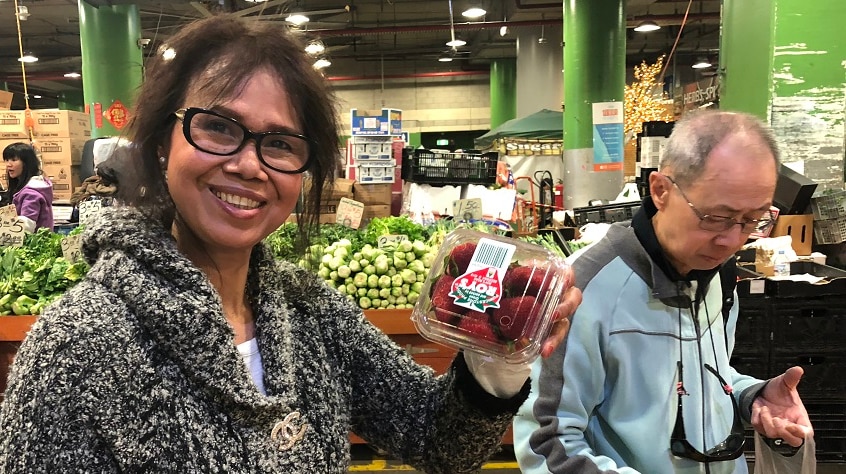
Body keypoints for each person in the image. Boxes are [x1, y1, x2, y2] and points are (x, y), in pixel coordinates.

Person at [0, 16, 581, 473]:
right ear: (160, 144)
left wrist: (497, 363)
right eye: (218, 127)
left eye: (279, 144)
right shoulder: (75, 349)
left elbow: (436, 442)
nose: (249, 165)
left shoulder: (308, 312)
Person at [514, 110, 813, 474]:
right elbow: (546, 442)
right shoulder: (583, 287)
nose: (732, 240)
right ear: (660, 190)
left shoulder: (718, 272)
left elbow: (701, 374)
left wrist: (753, 397)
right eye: (715, 217)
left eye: (753, 220)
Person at [2, 142, 54, 232]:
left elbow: (27, 224)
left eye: (14, 160)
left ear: (27, 163)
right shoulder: (24, 188)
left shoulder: (31, 193)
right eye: (7, 160)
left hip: (35, 243)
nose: (8, 164)